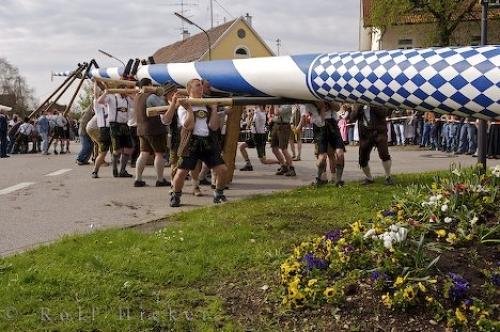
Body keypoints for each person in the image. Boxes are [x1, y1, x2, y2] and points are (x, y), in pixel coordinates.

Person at [169, 78, 228, 207]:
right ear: (189, 89)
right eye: (197, 85)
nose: (201, 88)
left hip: (207, 141)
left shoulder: (207, 103)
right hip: (191, 142)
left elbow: (214, 127)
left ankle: (218, 194)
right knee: (181, 173)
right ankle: (176, 195)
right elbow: (188, 126)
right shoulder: (183, 105)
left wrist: (213, 110)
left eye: (201, 85)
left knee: (223, 170)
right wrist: (190, 108)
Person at [133, 78, 171, 187]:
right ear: (149, 85)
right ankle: (160, 179)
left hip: (141, 129)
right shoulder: (151, 96)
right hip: (155, 129)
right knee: (159, 154)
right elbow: (163, 108)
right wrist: (164, 97)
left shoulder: (137, 97)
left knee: (143, 153)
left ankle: (138, 179)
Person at [96, 83, 135, 177]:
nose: (126, 90)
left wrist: (129, 93)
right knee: (117, 149)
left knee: (129, 148)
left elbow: (134, 104)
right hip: (114, 125)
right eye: (125, 89)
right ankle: (114, 169)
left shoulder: (127, 99)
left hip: (125, 125)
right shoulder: (111, 97)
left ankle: (122, 170)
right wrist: (106, 92)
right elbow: (99, 101)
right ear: (120, 89)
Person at [350, 104, 393, 185]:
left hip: (379, 132)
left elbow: (384, 113)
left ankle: (388, 177)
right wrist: (358, 108)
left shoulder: (377, 101)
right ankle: (369, 178)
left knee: (384, 154)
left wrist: (372, 104)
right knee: (362, 159)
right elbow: (352, 118)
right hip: (365, 134)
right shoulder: (359, 105)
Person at [239, 105, 279, 171]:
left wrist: (251, 112)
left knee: (263, 161)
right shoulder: (257, 112)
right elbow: (249, 124)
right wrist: (250, 115)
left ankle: (280, 162)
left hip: (259, 137)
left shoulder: (261, 114)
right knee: (241, 147)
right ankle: (248, 164)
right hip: (254, 135)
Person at [91, 82, 112, 178]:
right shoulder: (97, 105)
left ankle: (118, 170)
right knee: (103, 152)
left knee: (118, 150)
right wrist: (96, 83)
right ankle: (95, 171)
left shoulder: (108, 104)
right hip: (104, 129)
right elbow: (96, 95)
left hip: (113, 128)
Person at [271, 104, 296, 176]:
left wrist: (275, 104)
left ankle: (291, 168)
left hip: (284, 126)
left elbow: (277, 112)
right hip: (277, 125)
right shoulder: (280, 105)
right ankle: (283, 166)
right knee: (274, 148)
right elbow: (273, 113)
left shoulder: (287, 105)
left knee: (283, 149)